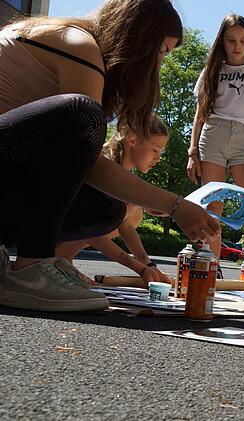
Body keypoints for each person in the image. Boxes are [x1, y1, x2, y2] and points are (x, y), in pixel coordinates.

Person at [0, 0, 220, 313]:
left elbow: (70, 164)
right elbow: (88, 157)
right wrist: (173, 204)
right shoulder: (79, 45)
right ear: (140, 39)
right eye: (162, 52)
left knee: (106, 208)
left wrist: (160, 202)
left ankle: (30, 261)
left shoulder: (79, 45)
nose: (159, 65)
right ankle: (30, 269)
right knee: (83, 114)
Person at [188, 14, 244, 289]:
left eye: (243, 40)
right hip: (212, 136)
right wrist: (193, 151)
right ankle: (211, 270)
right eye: (231, 40)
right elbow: (200, 114)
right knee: (213, 207)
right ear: (222, 42)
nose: (237, 45)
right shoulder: (211, 71)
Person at [55, 115, 174, 287]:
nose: (158, 158)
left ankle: (63, 260)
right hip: (45, 227)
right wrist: (139, 269)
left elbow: (125, 225)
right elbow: (94, 233)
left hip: (64, 224)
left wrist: (148, 265)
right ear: (132, 140)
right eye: (155, 149)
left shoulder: (120, 173)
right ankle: (58, 259)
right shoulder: (103, 167)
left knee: (133, 211)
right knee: (125, 208)